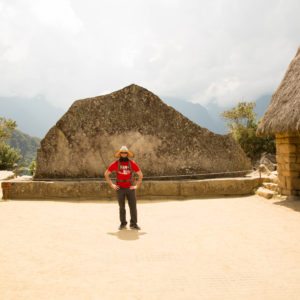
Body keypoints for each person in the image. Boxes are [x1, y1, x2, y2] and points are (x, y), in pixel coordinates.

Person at [104, 146, 143, 230]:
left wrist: (136, 186)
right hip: (120, 188)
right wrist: (112, 185)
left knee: (133, 206)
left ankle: (133, 223)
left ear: (127, 154)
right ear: (120, 154)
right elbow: (106, 174)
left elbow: (140, 174)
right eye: (122, 152)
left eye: (125, 152)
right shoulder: (115, 163)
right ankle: (123, 223)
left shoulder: (132, 163)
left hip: (130, 188)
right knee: (121, 207)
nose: (124, 154)